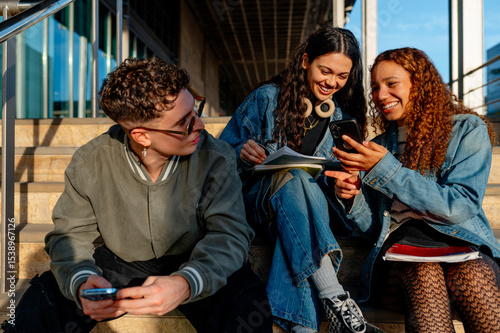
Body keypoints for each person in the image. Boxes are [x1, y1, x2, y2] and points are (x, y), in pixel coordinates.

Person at [2, 57, 272, 333]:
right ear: (142, 136)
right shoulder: (91, 161)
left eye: (195, 111)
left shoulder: (216, 157)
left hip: (197, 257)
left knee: (249, 308)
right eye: (184, 123)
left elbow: (230, 235)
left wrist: (187, 282)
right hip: (121, 263)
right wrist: (82, 282)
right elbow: (69, 235)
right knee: (41, 303)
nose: (200, 126)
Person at [220, 25, 383, 333]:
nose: (332, 82)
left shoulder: (341, 118)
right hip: (259, 207)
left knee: (297, 199)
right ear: (306, 61)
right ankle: (334, 295)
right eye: (326, 70)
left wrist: (346, 189)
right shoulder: (266, 99)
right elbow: (218, 155)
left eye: (342, 76)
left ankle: (304, 328)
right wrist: (241, 150)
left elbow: (351, 190)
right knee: (295, 175)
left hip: (309, 217)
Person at [329, 47, 500, 332]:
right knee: (422, 272)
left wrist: (385, 169)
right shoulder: (381, 146)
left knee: (471, 274)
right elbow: (372, 228)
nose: (380, 95)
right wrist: (353, 196)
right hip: (400, 261)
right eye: (375, 87)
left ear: (419, 84)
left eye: (391, 84)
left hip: (461, 248)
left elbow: (459, 206)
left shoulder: (467, 130)